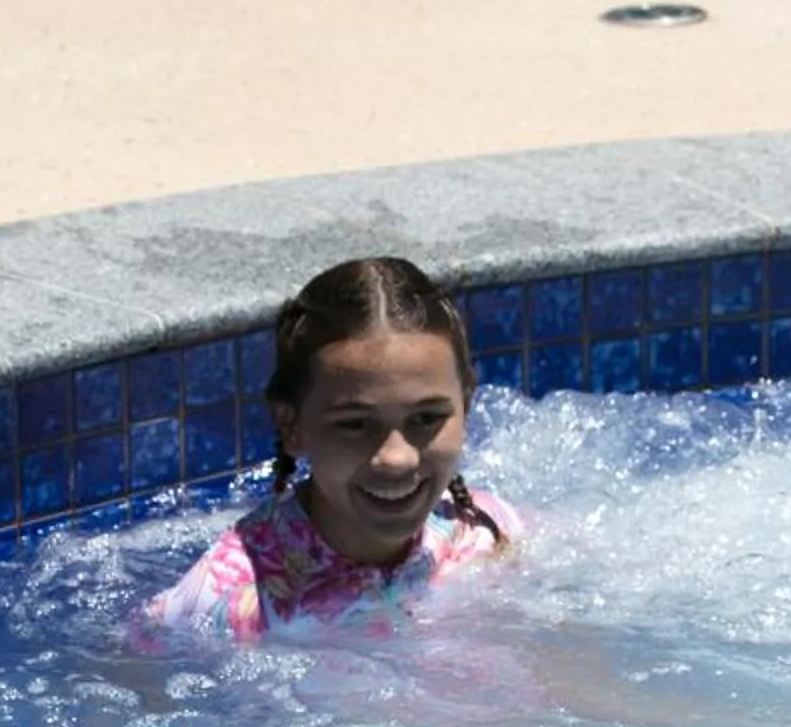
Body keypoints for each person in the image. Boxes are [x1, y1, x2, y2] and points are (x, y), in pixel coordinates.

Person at [137, 256, 517, 642]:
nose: (396, 457)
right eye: (354, 424)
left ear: (465, 406)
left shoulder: (484, 533)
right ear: (292, 426)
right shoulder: (227, 602)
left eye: (426, 418)